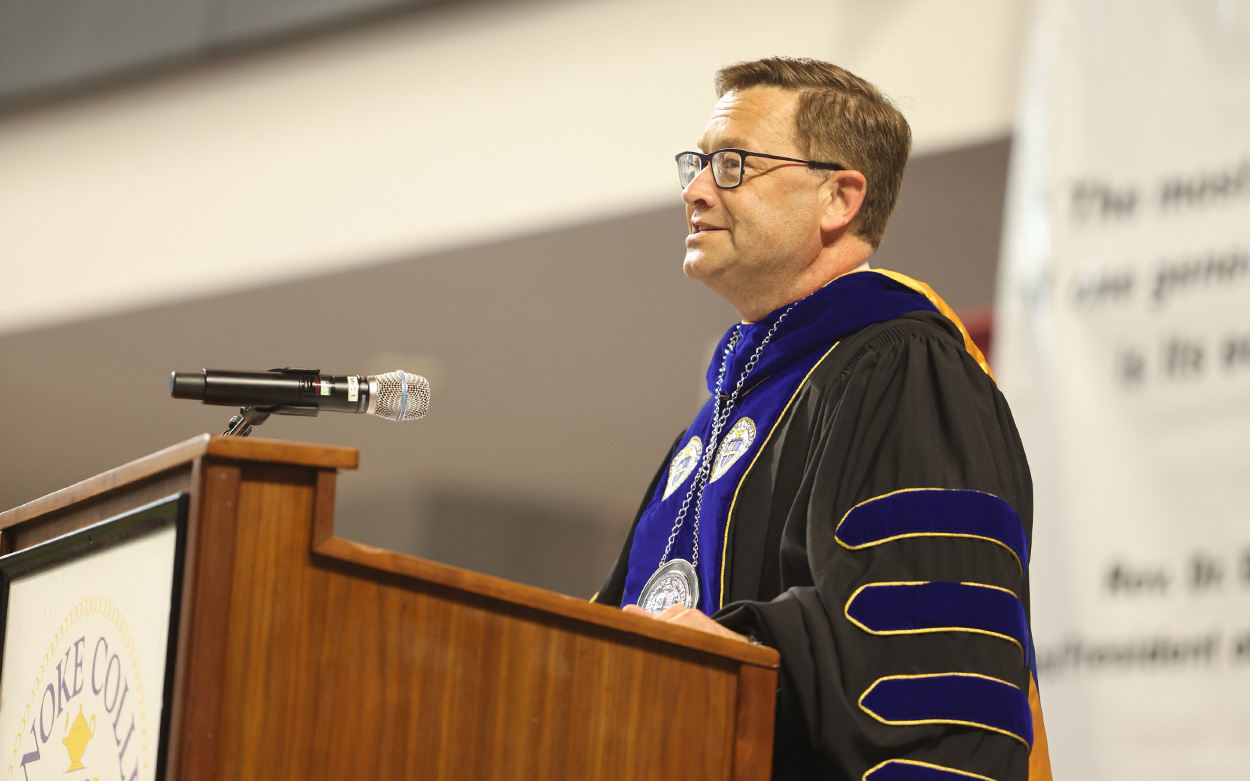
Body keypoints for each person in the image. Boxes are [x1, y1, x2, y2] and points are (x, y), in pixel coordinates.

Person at [593, 57, 1052, 780]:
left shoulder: (905, 367)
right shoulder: (719, 418)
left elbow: (920, 653)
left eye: (733, 164)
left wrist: (723, 649)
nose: (695, 190)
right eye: (697, 164)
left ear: (839, 197)